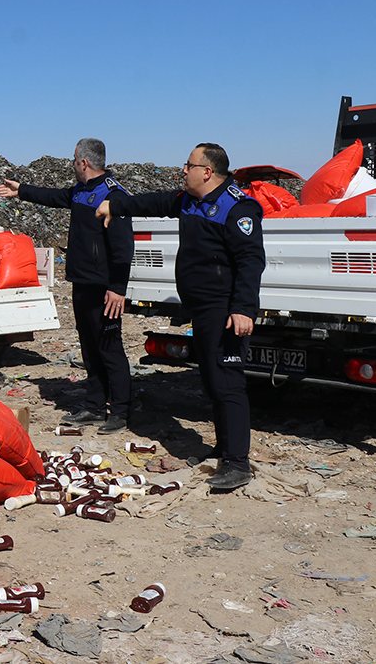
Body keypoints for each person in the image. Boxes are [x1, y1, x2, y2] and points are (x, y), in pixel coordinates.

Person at [97, 143, 265, 490]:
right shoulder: (189, 200)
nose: (182, 171)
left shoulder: (237, 207)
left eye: (189, 165)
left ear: (207, 171)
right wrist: (115, 203)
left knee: (227, 384)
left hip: (224, 310)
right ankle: (224, 448)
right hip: (201, 309)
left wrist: (243, 308)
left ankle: (238, 464)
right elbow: (152, 202)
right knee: (212, 382)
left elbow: (251, 261)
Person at [0, 138, 134, 434]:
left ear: (84, 162)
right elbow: (55, 196)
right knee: (89, 348)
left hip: (104, 288)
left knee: (109, 349)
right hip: (82, 283)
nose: (72, 164)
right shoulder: (82, 192)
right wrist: (22, 191)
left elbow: (123, 249)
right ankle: (95, 406)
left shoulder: (113, 197)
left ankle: (120, 412)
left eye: (73, 159)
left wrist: (118, 288)